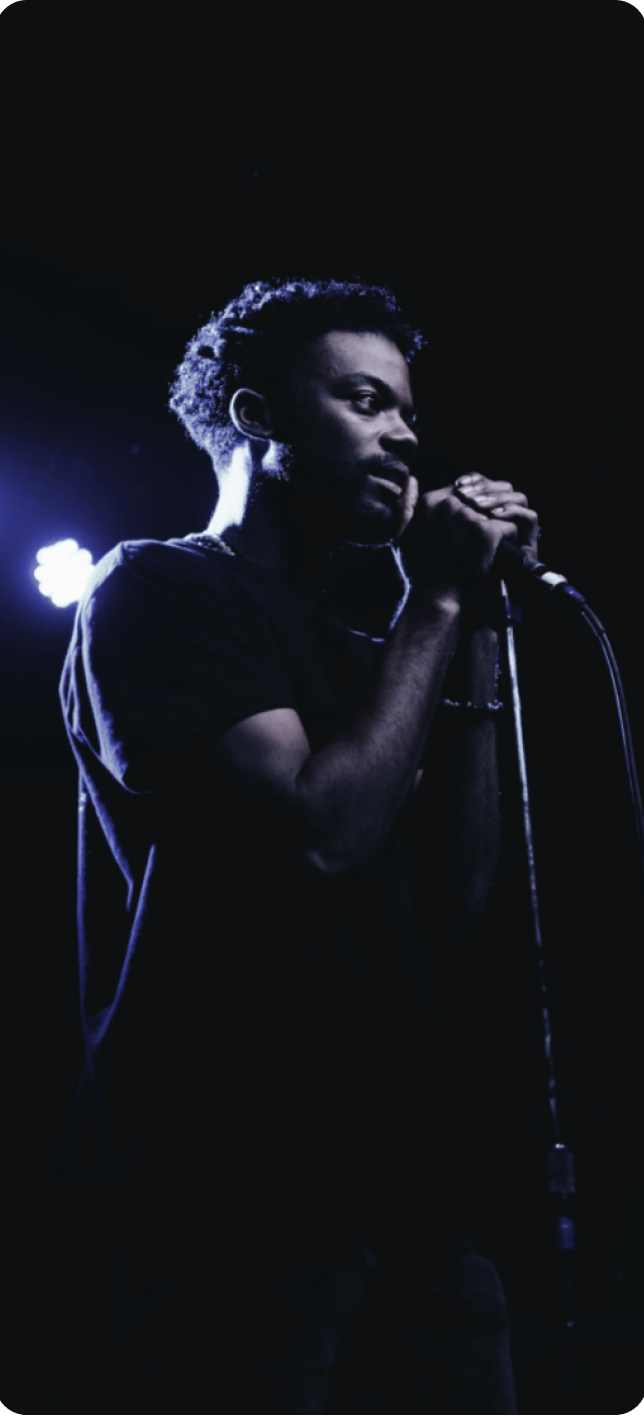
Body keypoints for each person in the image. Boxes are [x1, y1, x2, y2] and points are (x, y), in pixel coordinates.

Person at [59, 277, 539, 1414]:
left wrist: (466, 631)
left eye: (407, 414)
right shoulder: (160, 588)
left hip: (412, 1191)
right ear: (260, 418)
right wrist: (431, 605)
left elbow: (451, 897)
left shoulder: (374, 647)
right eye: (366, 401)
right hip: (235, 1193)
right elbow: (319, 835)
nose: (404, 436)